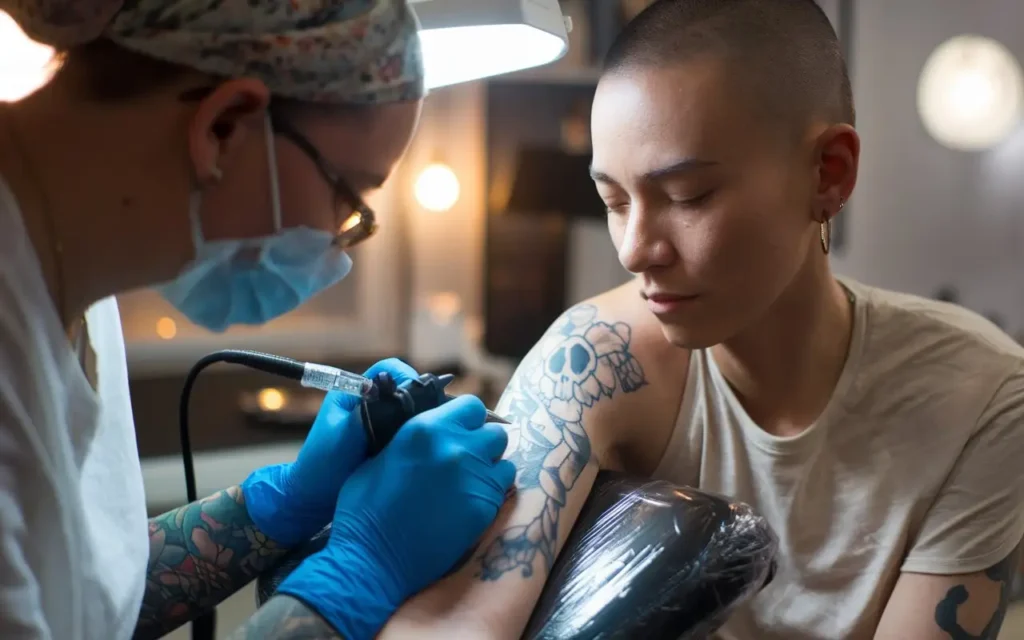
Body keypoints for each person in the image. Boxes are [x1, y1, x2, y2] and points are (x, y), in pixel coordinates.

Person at [368, 1, 1024, 639]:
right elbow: (469, 621)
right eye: (614, 200)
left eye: (688, 195)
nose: (633, 250)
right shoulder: (596, 360)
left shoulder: (981, 397)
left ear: (829, 172)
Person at [0, 1, 515, 639]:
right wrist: (361, 570)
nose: (339, 246)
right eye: (349, 195)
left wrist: (283, 502)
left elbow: (81, 595)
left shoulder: (67, 275)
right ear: (224, 125)